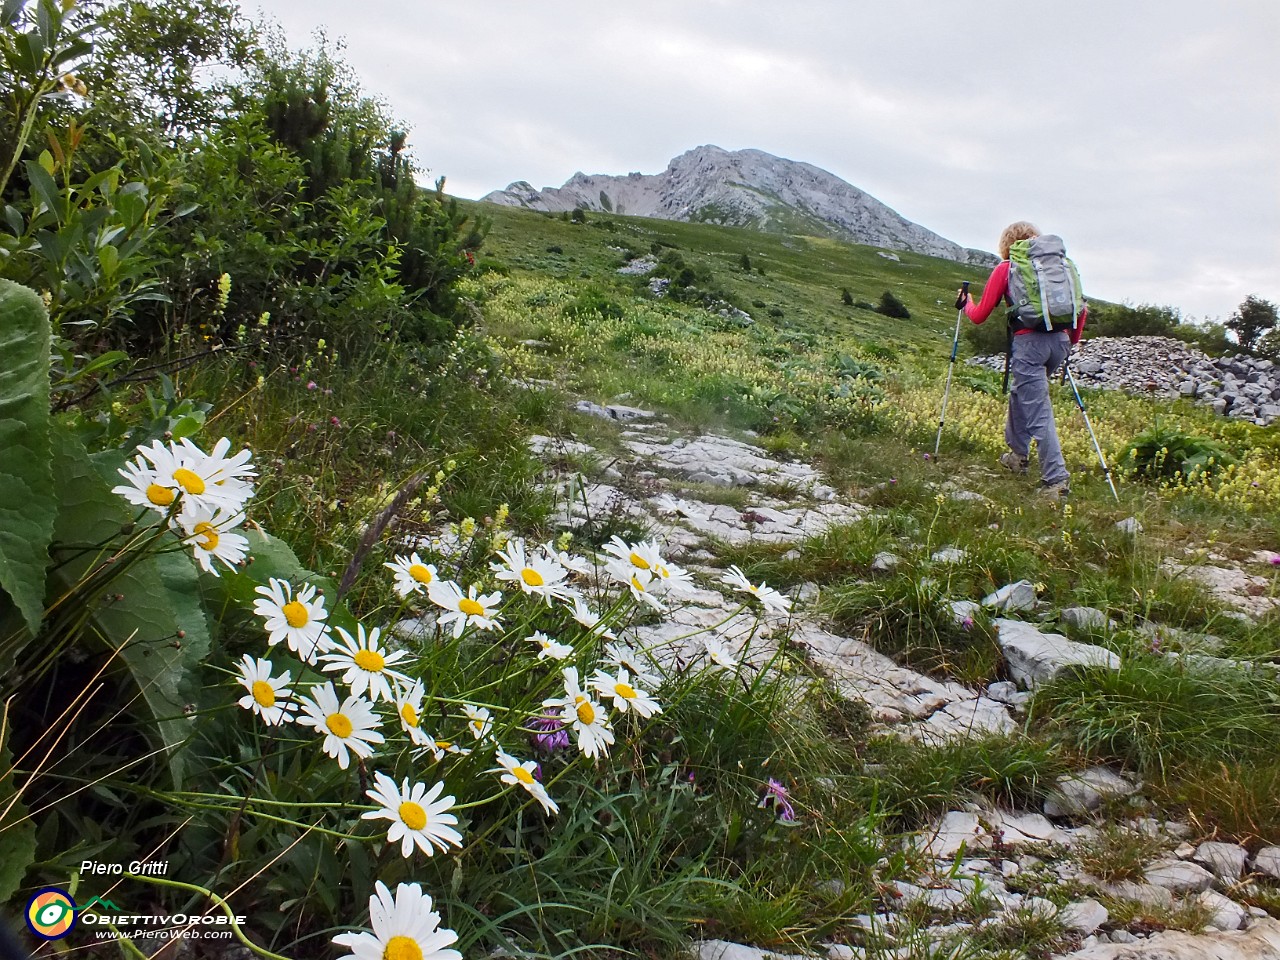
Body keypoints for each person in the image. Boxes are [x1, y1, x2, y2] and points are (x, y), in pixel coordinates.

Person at [957, 221, 1087, 500]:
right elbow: (1081, 308)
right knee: (1022, 394)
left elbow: (979, 315)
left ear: (1006, 245)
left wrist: (966, 302)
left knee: (1038, 409)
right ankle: (1018, 456)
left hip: (1029, 345)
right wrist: (1068, 343)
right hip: (1060, 341)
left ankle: (1057, 481)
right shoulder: (1062, 266)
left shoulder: (1008, 268)